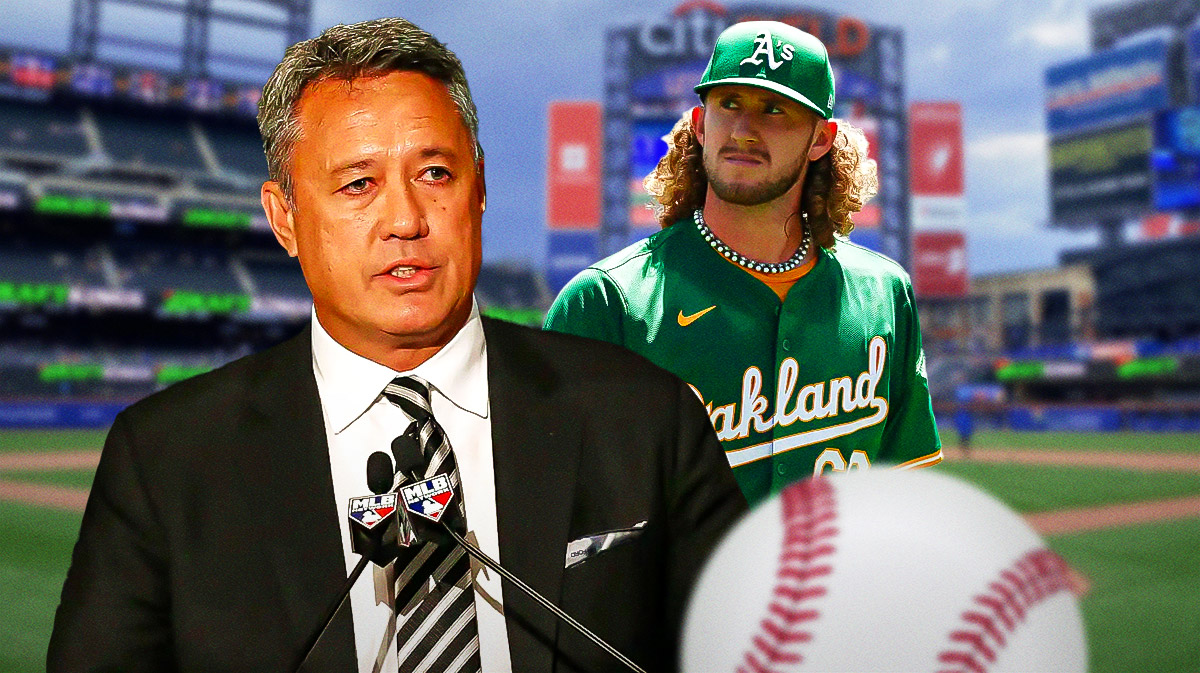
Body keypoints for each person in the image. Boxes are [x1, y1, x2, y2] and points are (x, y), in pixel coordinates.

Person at [48, 18, 745, 673]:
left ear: (478, 189)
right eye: (358, 184)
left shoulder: (646, 418)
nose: (406, 219)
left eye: (435, 174)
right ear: (284, 218)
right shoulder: (164, 460)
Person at [545, 21, 941, 507]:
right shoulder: (608, 304)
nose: (743, 131)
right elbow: (546, 508)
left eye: (774, 110)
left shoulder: (884, 295)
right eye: (729, 104)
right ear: (699, 123)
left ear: (821, 139)